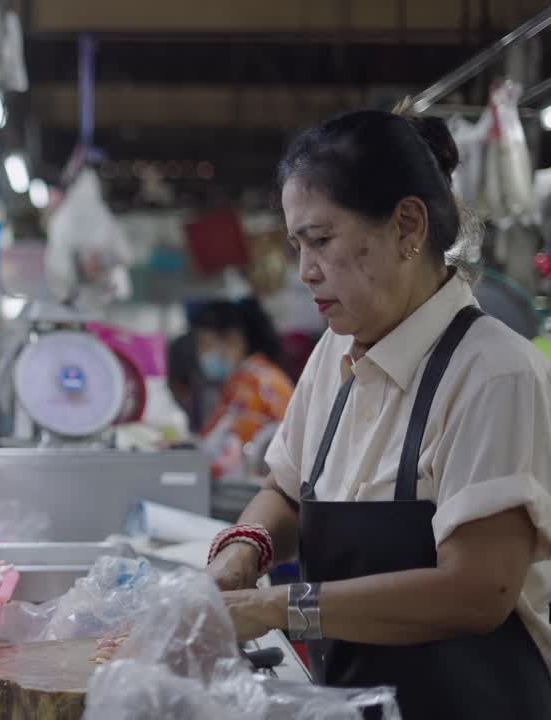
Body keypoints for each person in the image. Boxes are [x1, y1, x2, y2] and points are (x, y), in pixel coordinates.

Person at [207, 110, 551, 718]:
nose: (305, 271)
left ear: (408, 225)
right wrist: (245, 550)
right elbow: (285, 492)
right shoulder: (334, 352)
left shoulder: (494, 372)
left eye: (322, 240)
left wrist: (278, 607)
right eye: (297, 246)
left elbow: (478, 591)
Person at [190, 299, 294, 479]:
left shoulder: (253, 385)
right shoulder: (257, 377)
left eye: (205, 344)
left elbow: (227, 452)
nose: (201, 354)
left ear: (233, 339)